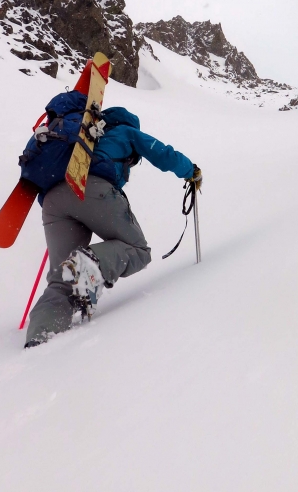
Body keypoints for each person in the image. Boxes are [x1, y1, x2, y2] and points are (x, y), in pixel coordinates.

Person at [25, 106, 201, 347]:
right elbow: (160, 152)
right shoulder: (125, 131)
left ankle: (40, 336)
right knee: (137, 249)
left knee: (61, 279)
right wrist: (190, 170)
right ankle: (89, 264)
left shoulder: (83, 138)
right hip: (91, 188)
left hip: (53, 201)